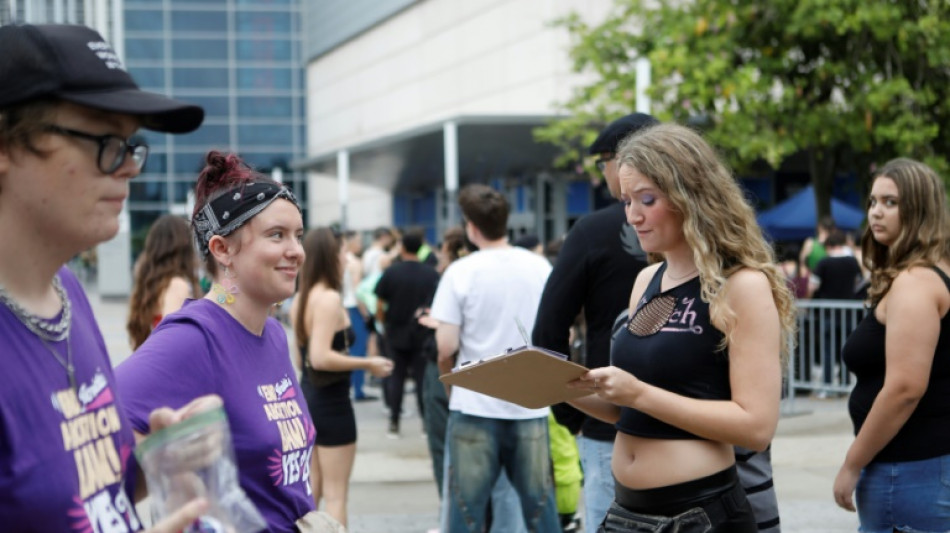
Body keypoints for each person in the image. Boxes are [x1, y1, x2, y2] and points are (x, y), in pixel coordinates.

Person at [0, 22, 212, 532]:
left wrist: (155, 460)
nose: (128, 168)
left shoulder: (65, 290)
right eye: (104, 139)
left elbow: (78, 493)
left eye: (130, 144)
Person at [568, 123, 796, 532]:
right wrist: (556, 387)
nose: (632, 216)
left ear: (689, 197)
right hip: (626, 512)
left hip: (697, 515)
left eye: (647, 199)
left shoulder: (741, 285)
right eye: (626, 201)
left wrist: (639, 392)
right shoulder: (646, 280)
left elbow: (756, 427)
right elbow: (627, 408)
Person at [116, 151, 318, 533]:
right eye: (277, 235)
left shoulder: (273, 333)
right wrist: (165, 473)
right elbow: (91, 431)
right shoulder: (192, 337)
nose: (296, 250)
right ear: (222, 250)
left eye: (298, 235)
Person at [532, 112, 655, 532]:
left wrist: (571, 413)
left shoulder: (591, 230)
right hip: (692, 429)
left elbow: (548, 330)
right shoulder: (706, 230)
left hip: (612, 422)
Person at [431, 184, 561, 532]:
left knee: (466, 515)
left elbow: (445, 345)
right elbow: (558, 331)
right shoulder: (539, 266)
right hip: (530, 405)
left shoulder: (460, 272)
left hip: (474, 404)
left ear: (471, 227)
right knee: (541, 511)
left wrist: (449, 382)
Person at [833, 158, 950, 532]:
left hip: (909, 472)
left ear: (919, 209)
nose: (875, 213)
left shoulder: (916, 282)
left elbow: (904, 388)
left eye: (890, 202)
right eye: (872, 202)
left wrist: (853, 462)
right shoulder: (931, 273)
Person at [291, 226, 393, 527]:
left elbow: (301, 359)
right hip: (331, 404)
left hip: (308, 400)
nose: (347, 259)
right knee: (336, 496)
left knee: (312, 495)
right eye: (342, 252)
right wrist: (368, 363)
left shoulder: (300, 298)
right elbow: (319, 357)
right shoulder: (329, 299)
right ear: (329, 256)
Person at [375, 229, 440, 437]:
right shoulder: (431, 273)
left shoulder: (392, 272)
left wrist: (383, 323)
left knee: (396, 378)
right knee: (422, 380)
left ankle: (394, 423)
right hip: (422, 333)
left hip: (395, 332)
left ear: (402, 248)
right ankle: (425, 424)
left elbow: (380, 302)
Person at [127, 214, 200, 349]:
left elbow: (135, 340)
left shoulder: (148, 285)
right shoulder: (177, 285)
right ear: (184, 247)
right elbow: (173, 343)